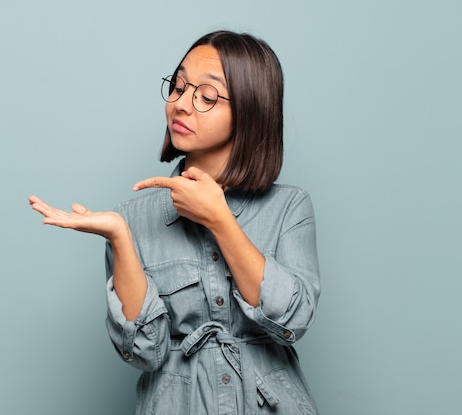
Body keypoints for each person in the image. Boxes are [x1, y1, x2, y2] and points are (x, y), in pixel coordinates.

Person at [29, 30, 320, 415]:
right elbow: (145, 351)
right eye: (179, 87)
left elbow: (293, 319)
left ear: (250, 109)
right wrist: (120, 237)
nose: (181, 105)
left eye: (207, 96)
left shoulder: (289, 207)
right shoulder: (132, 217)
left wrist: (219, 219)